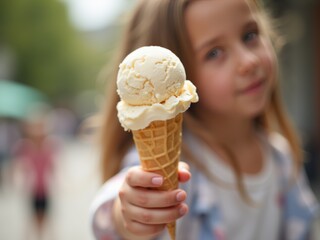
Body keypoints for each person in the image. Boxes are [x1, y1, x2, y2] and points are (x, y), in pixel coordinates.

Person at [90, 0, 319, 239]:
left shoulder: (281, 158)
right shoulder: (181, 166)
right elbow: (117, 200)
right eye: (214, 53)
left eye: (250, 35)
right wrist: (129, 214)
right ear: (182, 81)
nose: (248, 61)